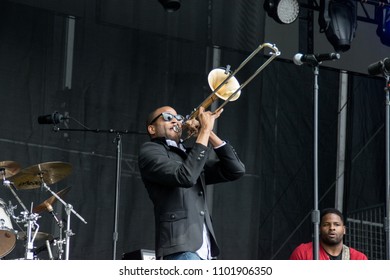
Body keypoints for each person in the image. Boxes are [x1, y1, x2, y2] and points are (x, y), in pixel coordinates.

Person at [138, 105, 245, 260]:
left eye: (178, 118)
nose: (175, 121)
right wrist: (204, 131)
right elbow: (185, 176)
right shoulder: (150, 150)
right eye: (168, 117)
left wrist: (209, 133)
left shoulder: (189, 156)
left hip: (205, 251)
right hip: (181, 249)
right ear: (152, 129)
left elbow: (235, 170)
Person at [289, 208, 368, 260]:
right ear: (319, 229)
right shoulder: (303, 252)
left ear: (344, 230)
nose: (332, 228)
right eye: (326, 224)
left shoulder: (359, 258)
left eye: (336, 224)